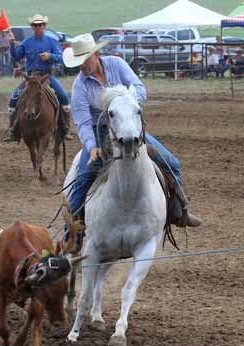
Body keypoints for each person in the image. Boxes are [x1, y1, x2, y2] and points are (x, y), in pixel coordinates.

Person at [61, 33, 202, 247]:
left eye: (84, 60)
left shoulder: (117, 65)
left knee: (171, 162)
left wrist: (123, 101)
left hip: (129, 126)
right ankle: (72, 234)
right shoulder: (80, 86)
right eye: (78, 62)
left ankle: (179, 211)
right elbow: (82, 121)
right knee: (82, 178)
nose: (81, 66)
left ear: (96, 54)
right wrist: (91, 147)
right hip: (100, 133)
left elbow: (140, 88)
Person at [3, 14, 71, 142]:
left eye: (40, 25)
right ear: (32, 27)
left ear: (44, 26)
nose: (37, 27)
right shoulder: (27, 42)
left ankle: (65, 128)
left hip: (46, 77)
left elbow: (60, 57)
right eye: (35, 25)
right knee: (13, 99)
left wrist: (49, 56)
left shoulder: (51, 41)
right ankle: (13, 130)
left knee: (63, 97)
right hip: (30, 78)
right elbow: (17, 56)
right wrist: (12, 43)